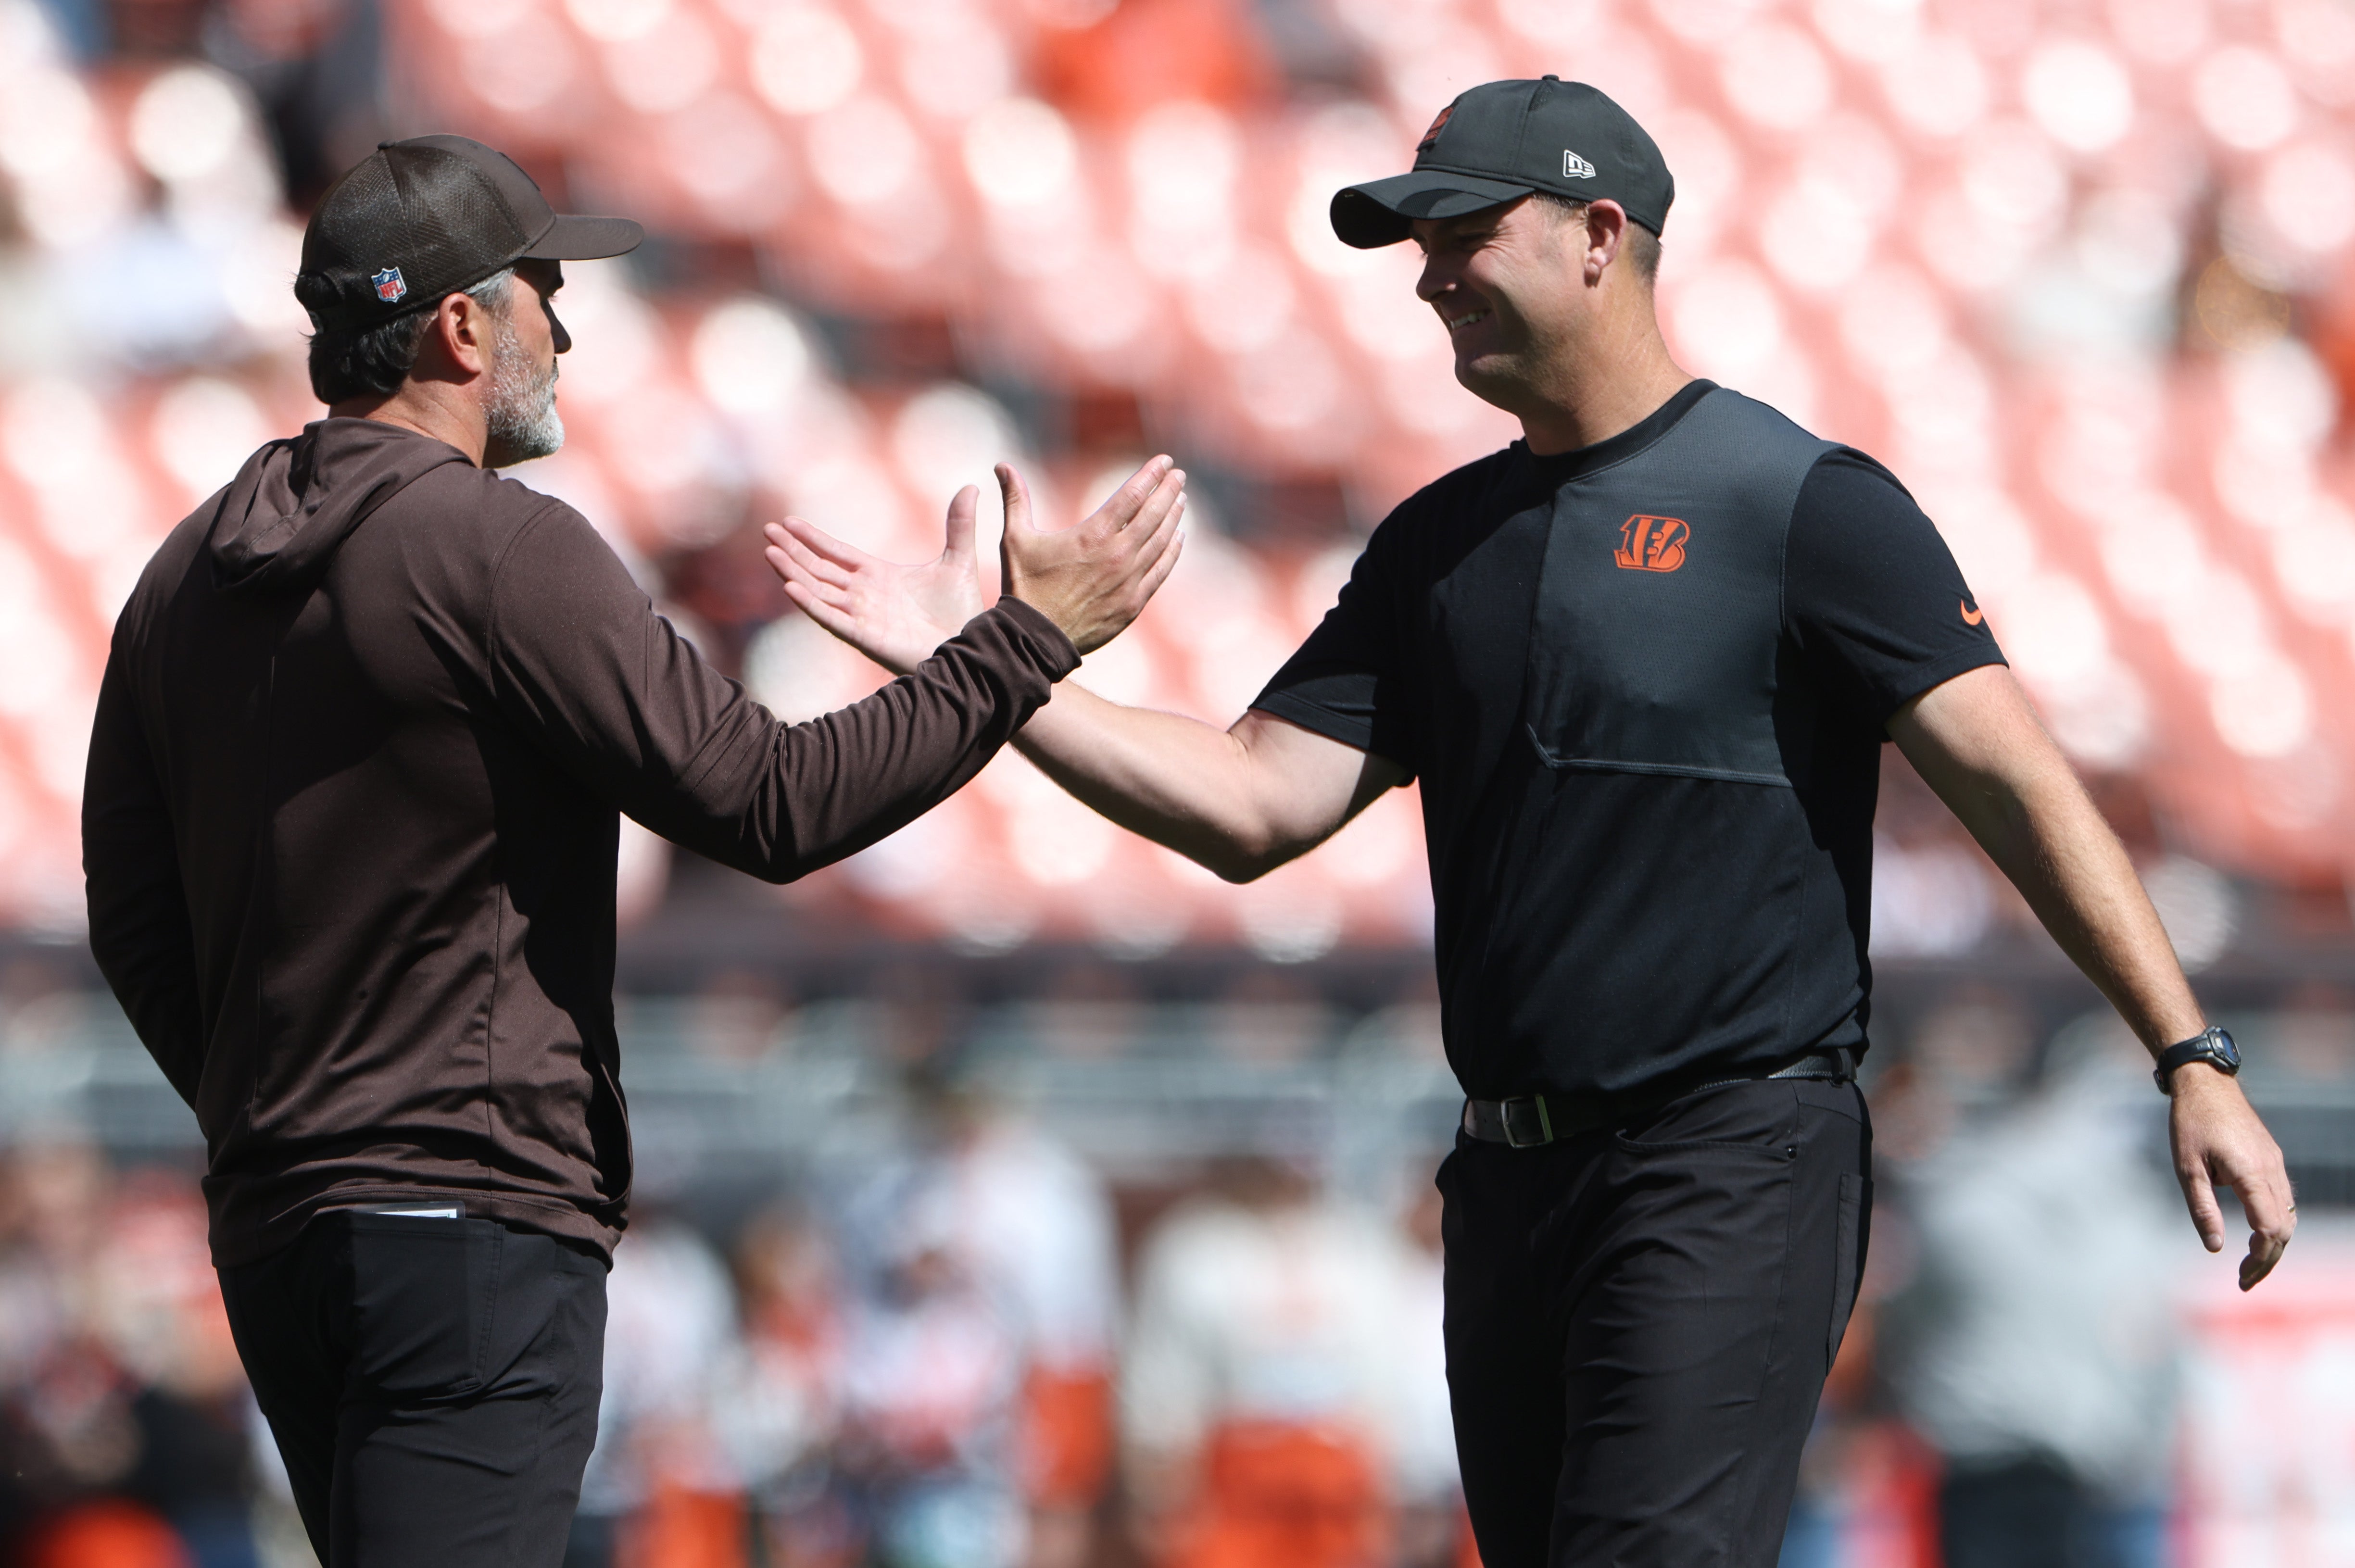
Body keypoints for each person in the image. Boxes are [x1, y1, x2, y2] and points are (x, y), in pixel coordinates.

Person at [765, 77, 2296, 1568]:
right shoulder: (1440, 545)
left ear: (1597, 234)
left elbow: (2022, 783)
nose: (1429, 282)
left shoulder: (1800, 504)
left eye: (1461, 237)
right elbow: (1251, 804)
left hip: (1728, 1158)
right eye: (1418, 250)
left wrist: (2186, 1055)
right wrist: (993, 667)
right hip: (1505, 1182)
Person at [80, 133, 1184, 1568]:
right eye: (541, 286)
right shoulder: (491, 547)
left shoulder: (181, 574)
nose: (571, 324)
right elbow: (771, 805)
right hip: (471, 1217)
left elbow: (133, 915)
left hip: (284, 1222)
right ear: (463, 324)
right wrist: (1021, 648)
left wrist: (271, 1109)